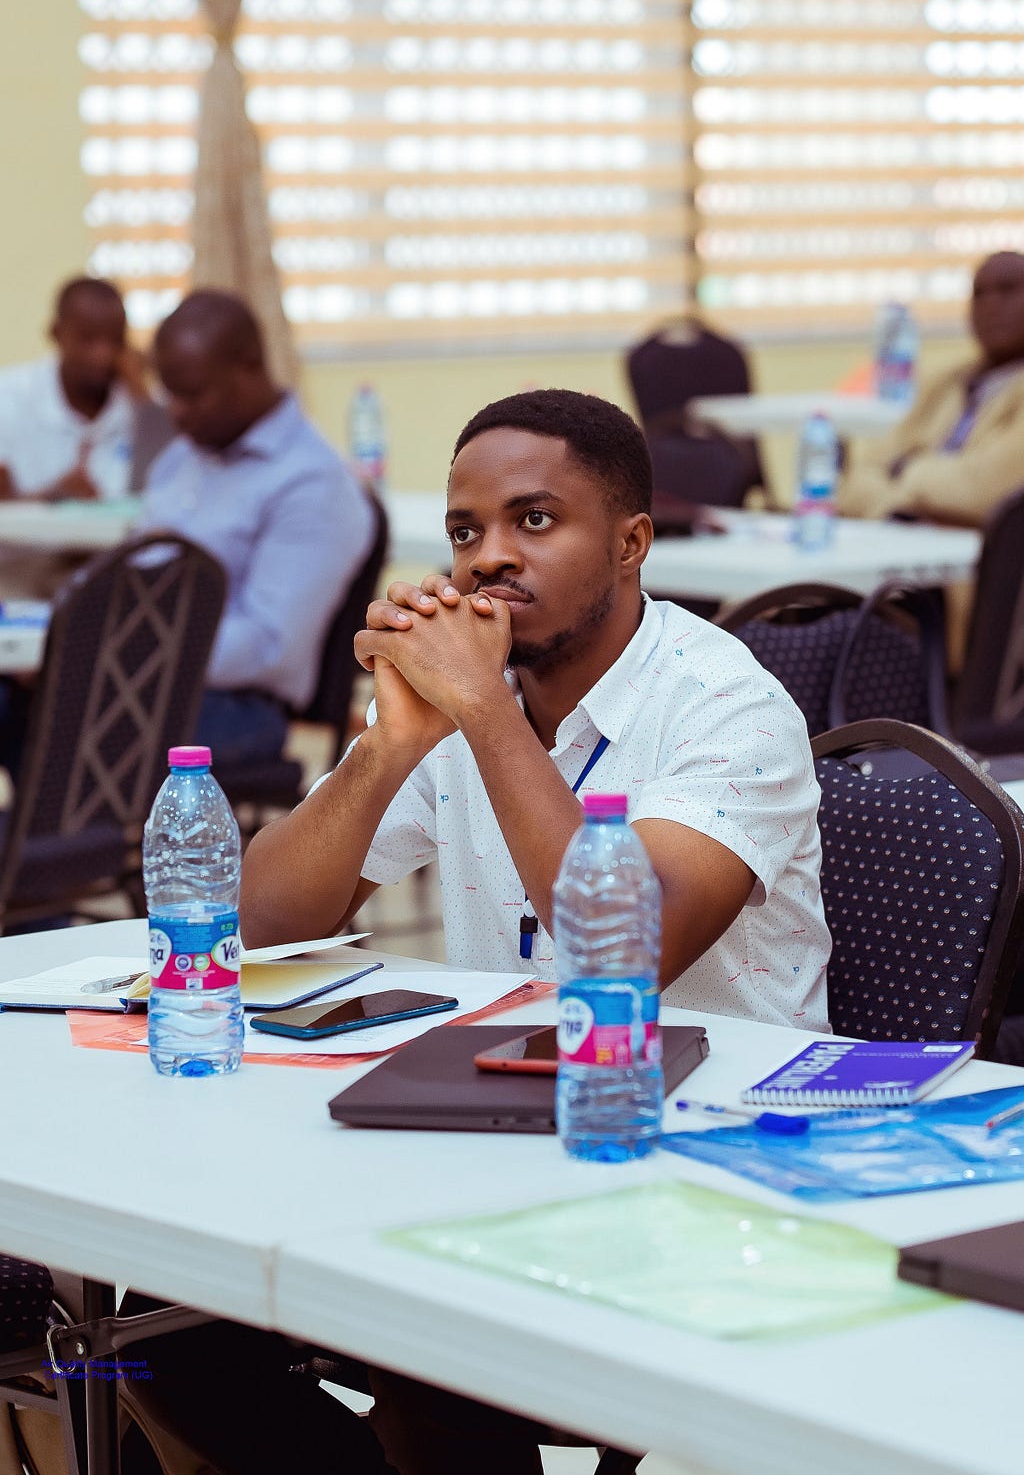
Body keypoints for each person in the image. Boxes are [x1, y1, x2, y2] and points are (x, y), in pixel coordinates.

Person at [238, 386, 831, 1475]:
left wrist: (483, 717)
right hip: (487, 1151)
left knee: (430, 1366)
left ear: (632, 543)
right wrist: (390, 744)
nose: (487, 560)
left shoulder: (729, 710)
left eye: (535, 521)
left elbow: (623, 953)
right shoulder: (470, 700)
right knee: (197, 1328)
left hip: (694, 1168)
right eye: (466, 531)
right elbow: (252, 927)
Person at [134, 288, 375, 767]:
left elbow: (270, 648)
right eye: (169, 393)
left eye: (191, 393)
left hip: (239, 706)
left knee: (64, 726)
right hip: (149, 682)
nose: (175, 413)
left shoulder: (310, 482)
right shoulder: (183, 458)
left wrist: (134, 653)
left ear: (248, 367)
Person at [839, 251, 1024, 527]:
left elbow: (982, 492)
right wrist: (896, 510)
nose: (990, 305)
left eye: (1007, 291)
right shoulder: (945, 383)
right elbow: (859, 476)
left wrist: (907, 471)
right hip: (905, 547)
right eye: (979, 294)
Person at [0, 275, 142, 503]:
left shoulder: (139, 406)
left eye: (116, 340)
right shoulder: (8, 397)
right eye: (88, 339)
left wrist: (144, 400)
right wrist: (47, 499)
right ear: (56, 333)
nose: (103, 355)